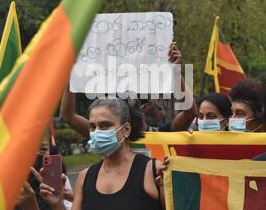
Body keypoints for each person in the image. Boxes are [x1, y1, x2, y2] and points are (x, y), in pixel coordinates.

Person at [28, 98, 167, 210]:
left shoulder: (153, 171)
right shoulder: (85, 177)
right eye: (92, 126)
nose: (97, 133)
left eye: (105, 125)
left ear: (126, 130)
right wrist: (57, 205)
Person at [59, 42, 198, 138]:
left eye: (127, 99)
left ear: (146, 106)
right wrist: (70, 73)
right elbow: (67, 116)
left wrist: (175, 71)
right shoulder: (108, 138)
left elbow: (190, 112)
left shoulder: (162, 134)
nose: (119, 105)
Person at [4, 132, 73, 210]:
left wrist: (58, 203)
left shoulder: (54, 187)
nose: (35, 156)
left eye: (43, 149)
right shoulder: (5, 186)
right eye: (28, 149)